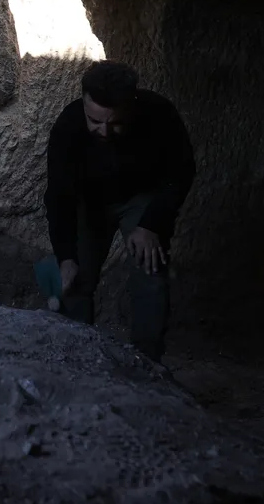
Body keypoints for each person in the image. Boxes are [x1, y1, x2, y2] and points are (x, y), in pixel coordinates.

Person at [42, 60, 195, 361]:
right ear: (84, 102)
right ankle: (78, 359)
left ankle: (147, 362)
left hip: (140, 198)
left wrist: (152, 224)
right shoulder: (69, 126)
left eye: (115, 123)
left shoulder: (159, 114)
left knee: (149, 267)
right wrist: (65, 256)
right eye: (95, 121)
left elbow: (181, 173)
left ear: (131, 106)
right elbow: (59, 196)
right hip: (90, 202)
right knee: (74, 278)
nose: (104, 132)